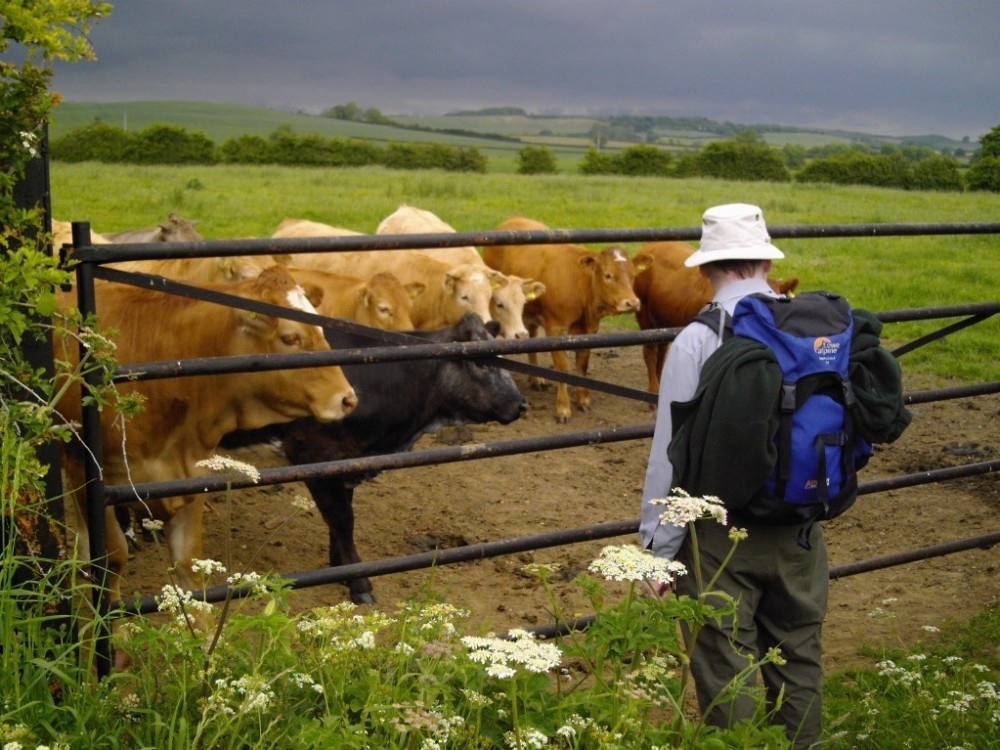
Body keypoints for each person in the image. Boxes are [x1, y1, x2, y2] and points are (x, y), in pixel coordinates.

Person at [639, 202, 826, 748]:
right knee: (799, 655)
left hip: (721, 533)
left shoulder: (698, 340)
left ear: (706, 268)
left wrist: (658, 550)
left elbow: (669, 454)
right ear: (767, 264)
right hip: (803, 523)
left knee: (727, 664)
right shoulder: (811, 330)